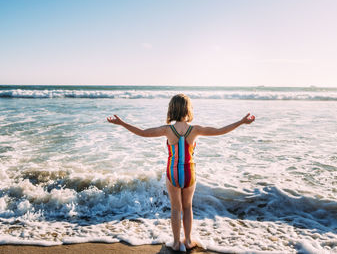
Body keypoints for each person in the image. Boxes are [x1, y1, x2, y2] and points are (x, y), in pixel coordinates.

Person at [107, 94, 255, 251]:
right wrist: (241, 122)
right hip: (189, 172)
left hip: (174, 172)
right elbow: (220, 131)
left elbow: (143, 132)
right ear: (188, 109)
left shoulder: (167, 130)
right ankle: (189, 240)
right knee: (188, 207)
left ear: (171, 109)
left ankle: (177, 243)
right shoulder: (195, 130)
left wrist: (122, 123)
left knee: (176, 209)